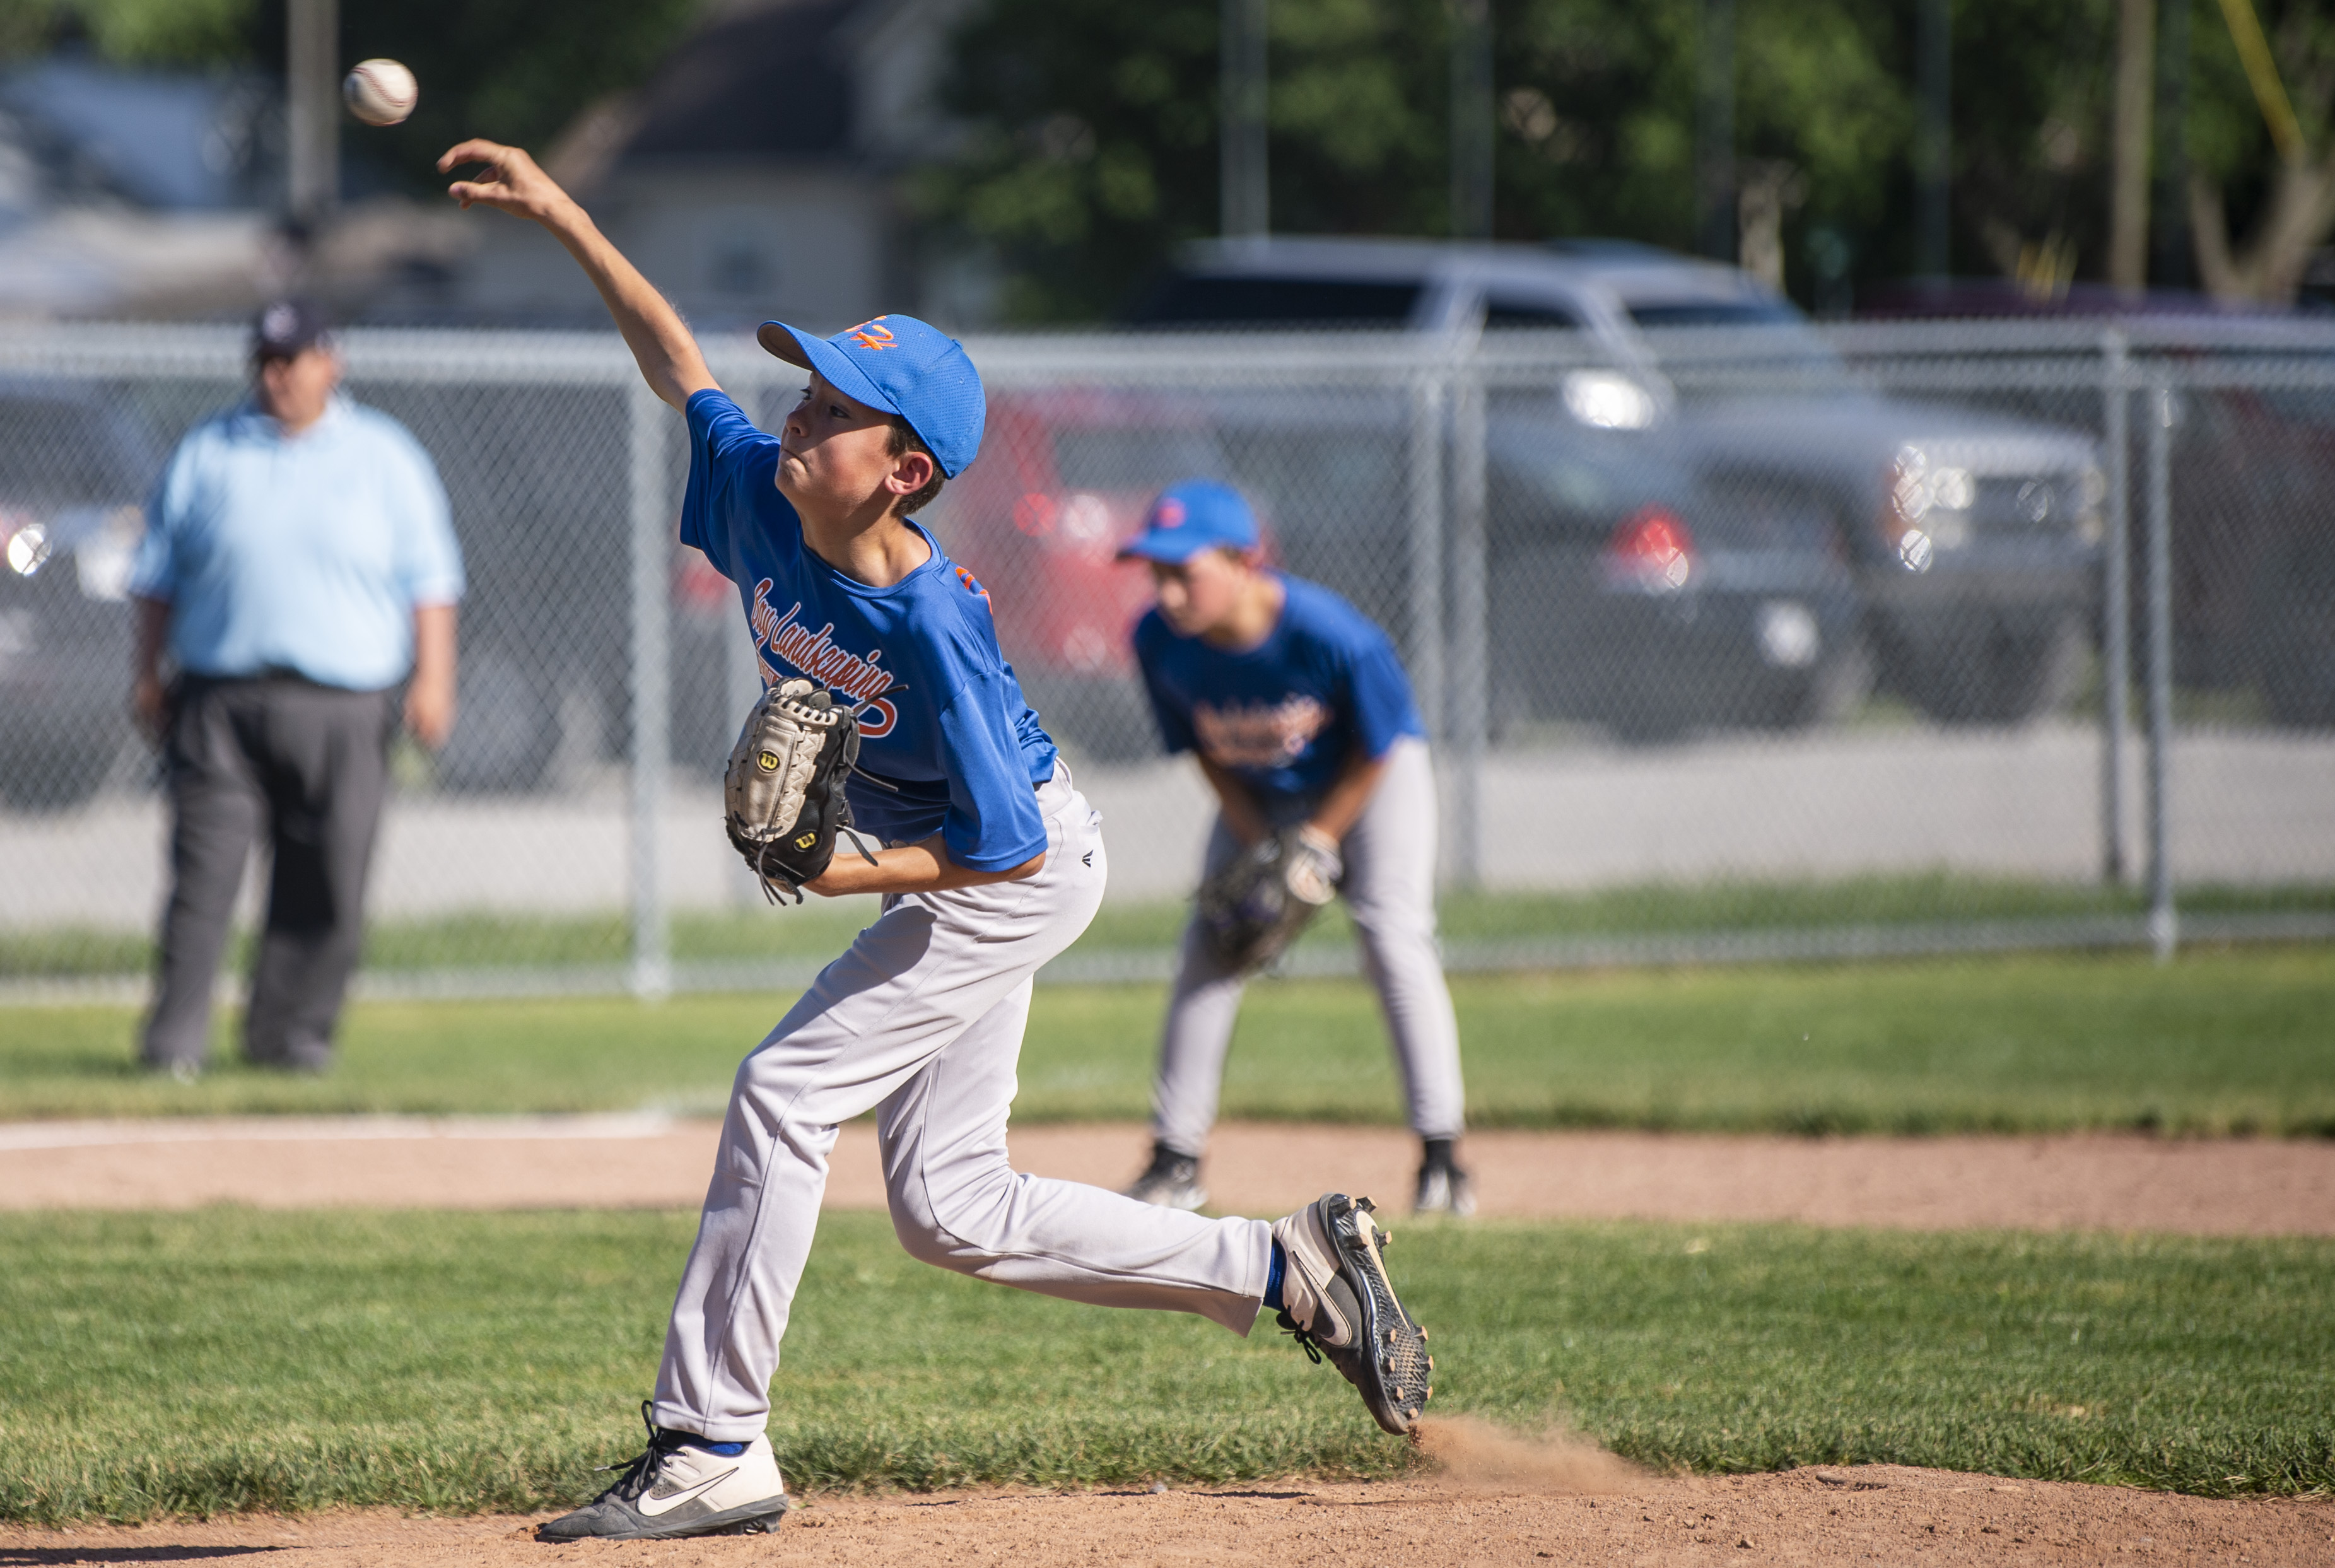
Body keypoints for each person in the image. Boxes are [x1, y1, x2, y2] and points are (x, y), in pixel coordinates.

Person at [433, 138, 1434, 1543]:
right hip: (976, 861)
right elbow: (680, 363)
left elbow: (1008, 857)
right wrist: (567, 217)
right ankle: (1281, 1267)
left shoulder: (935, 629)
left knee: (783, 1091)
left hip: (1015, 869)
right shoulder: (759, 495)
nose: (798, 411)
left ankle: (712, 1439)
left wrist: (844, 871)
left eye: (836, 406)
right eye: (809, 384)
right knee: (952, 1207)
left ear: (902, 469)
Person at [1118, 481, 1473, 1217]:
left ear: (1246, 560)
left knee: (1393, 933)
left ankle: (1444, 1158)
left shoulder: (1331, 634)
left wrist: (1317, 841)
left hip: (1367, 782)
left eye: (1187, 570)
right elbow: (1202, 748)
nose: (1170, 590)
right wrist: (1257, 839)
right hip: (1260, 792)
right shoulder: (1155, 640)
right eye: (1158, 571)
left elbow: (1384, 743)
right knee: (1214, 941)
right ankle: (1174, 1160)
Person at [128, 300, 462, 1079]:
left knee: (329, 875)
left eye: (293, 359)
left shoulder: (384, 454)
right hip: (219, 696)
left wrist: (434, 678)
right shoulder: (208, 449)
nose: (278, 375)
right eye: (266, 362)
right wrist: (147, 673)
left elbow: (432, 579)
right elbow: (155, 577)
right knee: (202, 876)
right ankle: (174, 1041)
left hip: (344, 700)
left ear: (329, 362)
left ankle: (290, 1036)